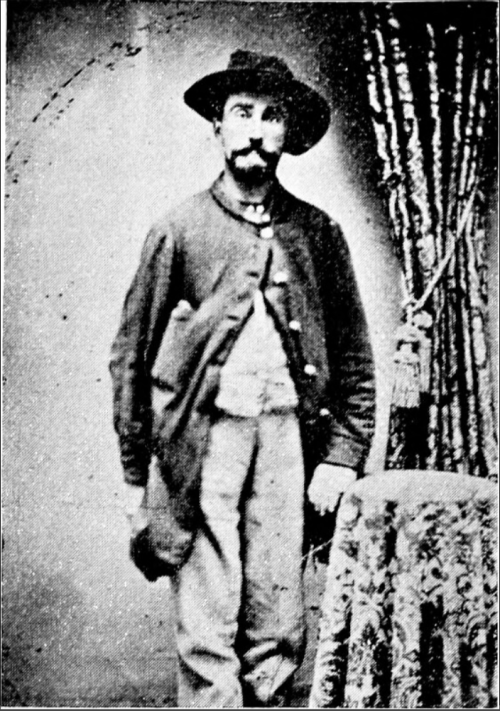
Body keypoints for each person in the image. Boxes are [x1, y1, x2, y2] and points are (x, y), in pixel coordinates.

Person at [110, 49, 376, 708]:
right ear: (218, 128)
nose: (256, 130)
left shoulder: (319, 233)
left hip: (288, 445)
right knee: (207, 624)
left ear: (289, 133)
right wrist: (135, 475)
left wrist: (341, 457)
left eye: (271, 116)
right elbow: (130, 356)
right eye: (242, 114)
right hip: (200, 449)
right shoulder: (179, 228)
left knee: (277, 619)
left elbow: (355, 361)